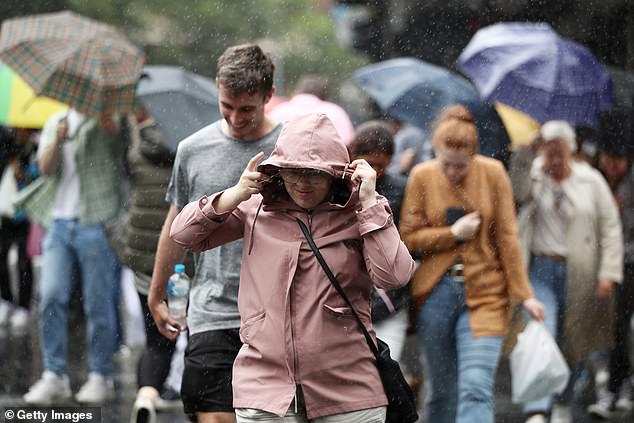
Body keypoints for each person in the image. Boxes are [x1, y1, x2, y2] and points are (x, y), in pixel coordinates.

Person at [169, 112, 416, 422]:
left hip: (349, 389)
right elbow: (183, 235)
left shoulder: (360, 211)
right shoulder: (255, 208)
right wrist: (235, 193)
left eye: (314, 173)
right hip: (266, 387)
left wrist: (370, 202)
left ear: (335, 173)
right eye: (292, 171)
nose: (301, 183)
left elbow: (395, 276)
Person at [147, 43, 282, 423]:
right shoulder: (193, 149)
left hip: (275, 313)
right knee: (214, 417)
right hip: (212, 309)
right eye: (227, 106)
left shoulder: (290, 149)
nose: (236, 118)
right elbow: (176, 224)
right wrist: (157, 295)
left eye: (247, 109)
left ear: (268, 95)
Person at [398, 105, 545, 423]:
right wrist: (452, 233)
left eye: (460, 165)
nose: (452, 172)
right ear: (436, 151)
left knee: (476, 387)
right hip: (435, 292)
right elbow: (407, 239)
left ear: (473, 154)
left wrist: (525, 294)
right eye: (446, 163)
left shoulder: (492, 173)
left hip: (486, 291)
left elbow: (508, 238)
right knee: (441, 391)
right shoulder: (423, 176)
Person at [512, 120, 623, 423]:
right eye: (550, 153)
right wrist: (526, 155)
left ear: (571, 151)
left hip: (580, 272)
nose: (555, 160)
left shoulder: (591, 180)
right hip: (539, 269)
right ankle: (537, 408)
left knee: (575, 342)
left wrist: (608, 273)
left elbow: (611, 227)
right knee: (540, 334)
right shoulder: (533, 174)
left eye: (561, 153)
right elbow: (517, 194)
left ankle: (563, 400)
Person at [18, 108, 128, 405]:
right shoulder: (56, 120)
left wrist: (114, 131)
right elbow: (44, 168)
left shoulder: (111, 119)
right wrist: (57, 139)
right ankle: (54, 374)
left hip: (96, 220)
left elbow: (123, 157)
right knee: (51, 295)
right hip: (59, 222)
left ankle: (100, 375)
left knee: (98, 301)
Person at [115, 104, 191, 423]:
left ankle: (147, 393)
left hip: (144, 252)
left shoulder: (136, 148)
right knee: (194, 333)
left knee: (156, 336)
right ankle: (187, 392)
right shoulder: (189, 148)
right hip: (183, 253)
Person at [348, 120, 410, 360]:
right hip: (350, 288)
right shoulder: (338, 187)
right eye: (369, 163)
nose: (373, 173)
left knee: (388, 369)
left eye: (381, 166)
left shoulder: (400, 188)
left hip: (388, 294)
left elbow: (406, 241)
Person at [586, 144, 634, 419]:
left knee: (622, 323)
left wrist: (620, 211)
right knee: (611, 324)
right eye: (608, 158)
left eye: (618, 159)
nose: (612, 166)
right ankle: (611, 385)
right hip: (603, 261)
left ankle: (620, 383)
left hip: (628, 258)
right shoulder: (594, 177)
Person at [0, 126, 37, 331]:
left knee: (24, 261)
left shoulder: (35, 148)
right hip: (6, 213)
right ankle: (5, 299)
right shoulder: (6, 144)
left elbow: (39, 178)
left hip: (26, 215)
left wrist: (21, 174)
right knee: (2, 258)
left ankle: (23, 305)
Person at [268, 74, 355, 144]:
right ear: (324, 95)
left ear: (299, 90)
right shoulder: (336, 112)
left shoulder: (279, 111)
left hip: (282, 164)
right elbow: (347, 141)